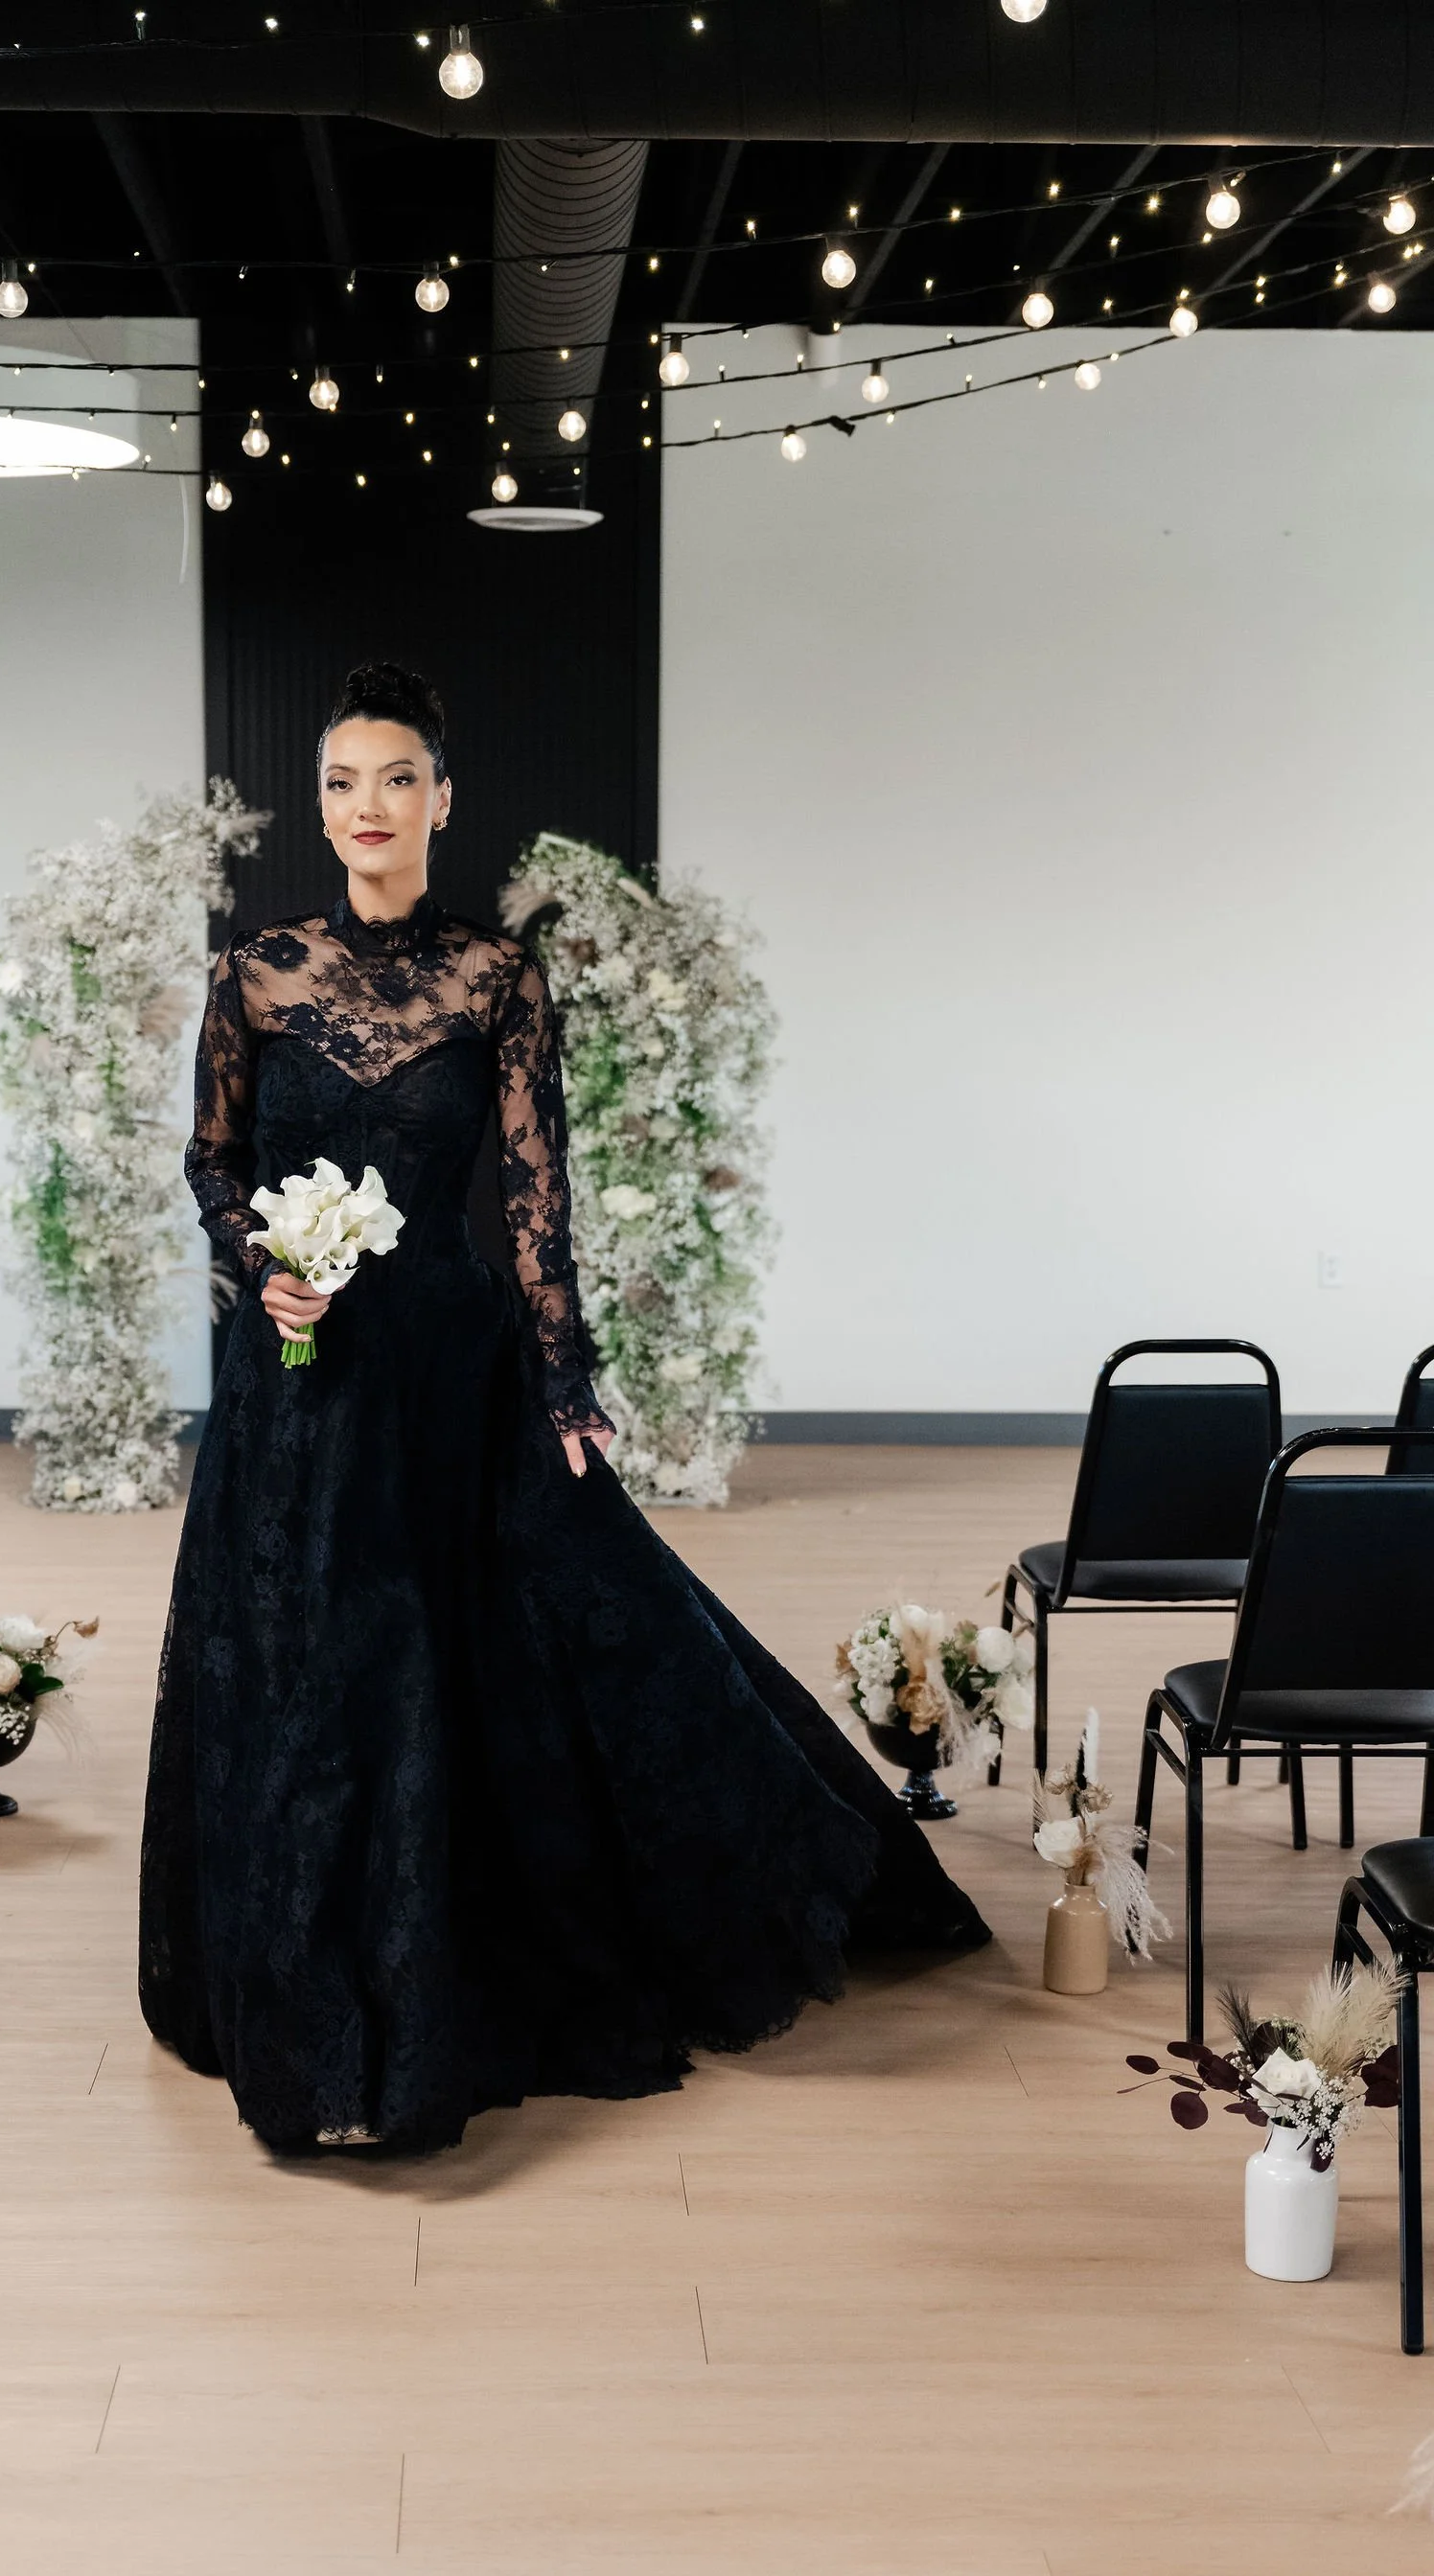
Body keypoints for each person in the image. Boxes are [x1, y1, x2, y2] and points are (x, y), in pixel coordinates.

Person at [139, 661, 986, 2154]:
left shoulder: (494, 977)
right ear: (324, 806)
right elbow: (209, 1157)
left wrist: (565, 1380)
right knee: (308, 1673)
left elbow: (538, 1200)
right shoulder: (254, 971)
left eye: (396, 779)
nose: (367, 808)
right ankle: (306, 2013)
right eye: (342, 783)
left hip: (448, 1374)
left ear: (443, 799)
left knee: (449, 1661)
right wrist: (259, 1255)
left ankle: (410, 2020)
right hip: (296, 1376)